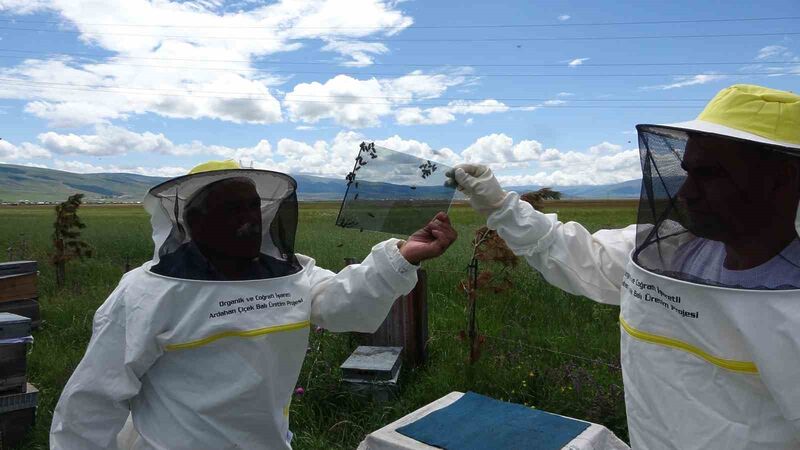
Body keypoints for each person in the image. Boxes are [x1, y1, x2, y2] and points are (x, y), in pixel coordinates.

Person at [447, 84, 800, 449]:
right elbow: (576, 254)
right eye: (688, 173)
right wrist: (500, 205)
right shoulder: (668, 251)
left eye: (710, 174)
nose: (686, 193)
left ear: (784, 177)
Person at [50, 161, 458, 450]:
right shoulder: (145, 293)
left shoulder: (289, 275)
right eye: (230, 208)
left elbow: (343, 305)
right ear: (193, 222)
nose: (249, 219)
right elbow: (92, 401)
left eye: (252, 206)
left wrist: (403, 256)